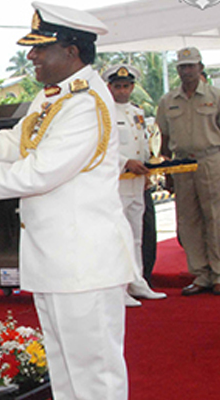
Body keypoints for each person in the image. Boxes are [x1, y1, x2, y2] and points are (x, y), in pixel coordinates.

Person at [0, 3, 136, 399]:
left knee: (96, 376)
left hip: (84, 265)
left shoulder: (86, 104)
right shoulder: (55, 98)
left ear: (72, 51)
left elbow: (41, 171)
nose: (31, 56)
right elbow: (14, 141)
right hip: (57, 261)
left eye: (41, 48)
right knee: (63, 371)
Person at [156, 47, 220, 296]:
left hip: (211, 160)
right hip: (181, 164)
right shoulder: (168, 100)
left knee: (215, 218)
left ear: (200, 67)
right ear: (177, 70)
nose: (187, 71)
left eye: (191, 66)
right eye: (182, 67)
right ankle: (200, 274)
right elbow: (162, 137)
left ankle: (218, 274)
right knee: (188, 221)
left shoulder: (215, 95)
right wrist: (168, 171)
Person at [102, 64, 167, 306]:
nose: (122, 90)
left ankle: (138, 281)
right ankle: (120, 287)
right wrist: (125, 162)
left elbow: (145, 145)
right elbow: (103, 149)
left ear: (132, 87)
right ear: (109, 87)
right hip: (117, 182)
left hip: (137, 182)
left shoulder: (137, 113)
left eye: (126, 86)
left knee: (137, 235)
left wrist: (149, 164)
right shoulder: (104, 113)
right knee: (119, 236)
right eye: (117, 86)